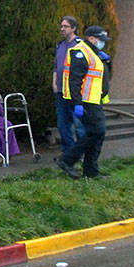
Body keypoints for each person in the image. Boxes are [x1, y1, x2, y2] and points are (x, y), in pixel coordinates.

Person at [57, 25, 112, 179]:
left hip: (94, 100)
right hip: (86, 101)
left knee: (96, 134)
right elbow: (74, 81)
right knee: (97, 132)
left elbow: (101, 77)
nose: (103, 43)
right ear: (92, 38)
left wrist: (107, 62)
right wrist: (77, 103)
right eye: (101, 40)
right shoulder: (80, 52)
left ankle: (91, 171)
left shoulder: (94, 53)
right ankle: (67, 160)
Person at [52, 15, 85, 159]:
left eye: (65, 26)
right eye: (61, 26)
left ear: (74, 28)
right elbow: (56, 66)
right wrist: (54, 82)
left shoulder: (80, 45)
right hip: (60, 90)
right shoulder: (60, 45)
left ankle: (82, 152)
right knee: (62, 124)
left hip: (75, 91)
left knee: (79, 125)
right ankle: (68, 152)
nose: (62, 29)